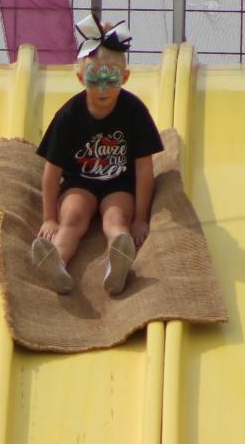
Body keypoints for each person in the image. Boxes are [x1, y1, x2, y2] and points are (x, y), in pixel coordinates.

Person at [30, 16, 164, 296]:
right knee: (72, 219)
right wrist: (49, 218)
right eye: (94, 79)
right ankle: (56, 263)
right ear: (80, 77)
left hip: (119, 184)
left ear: (125, 78)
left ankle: (118, 263)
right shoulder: (68, 116)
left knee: (116, 219)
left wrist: (141, 217)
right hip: (79, 183)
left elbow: (143, 168)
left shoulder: (134, 111)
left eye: (111, 79)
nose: (103, 88)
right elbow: (52, 171)